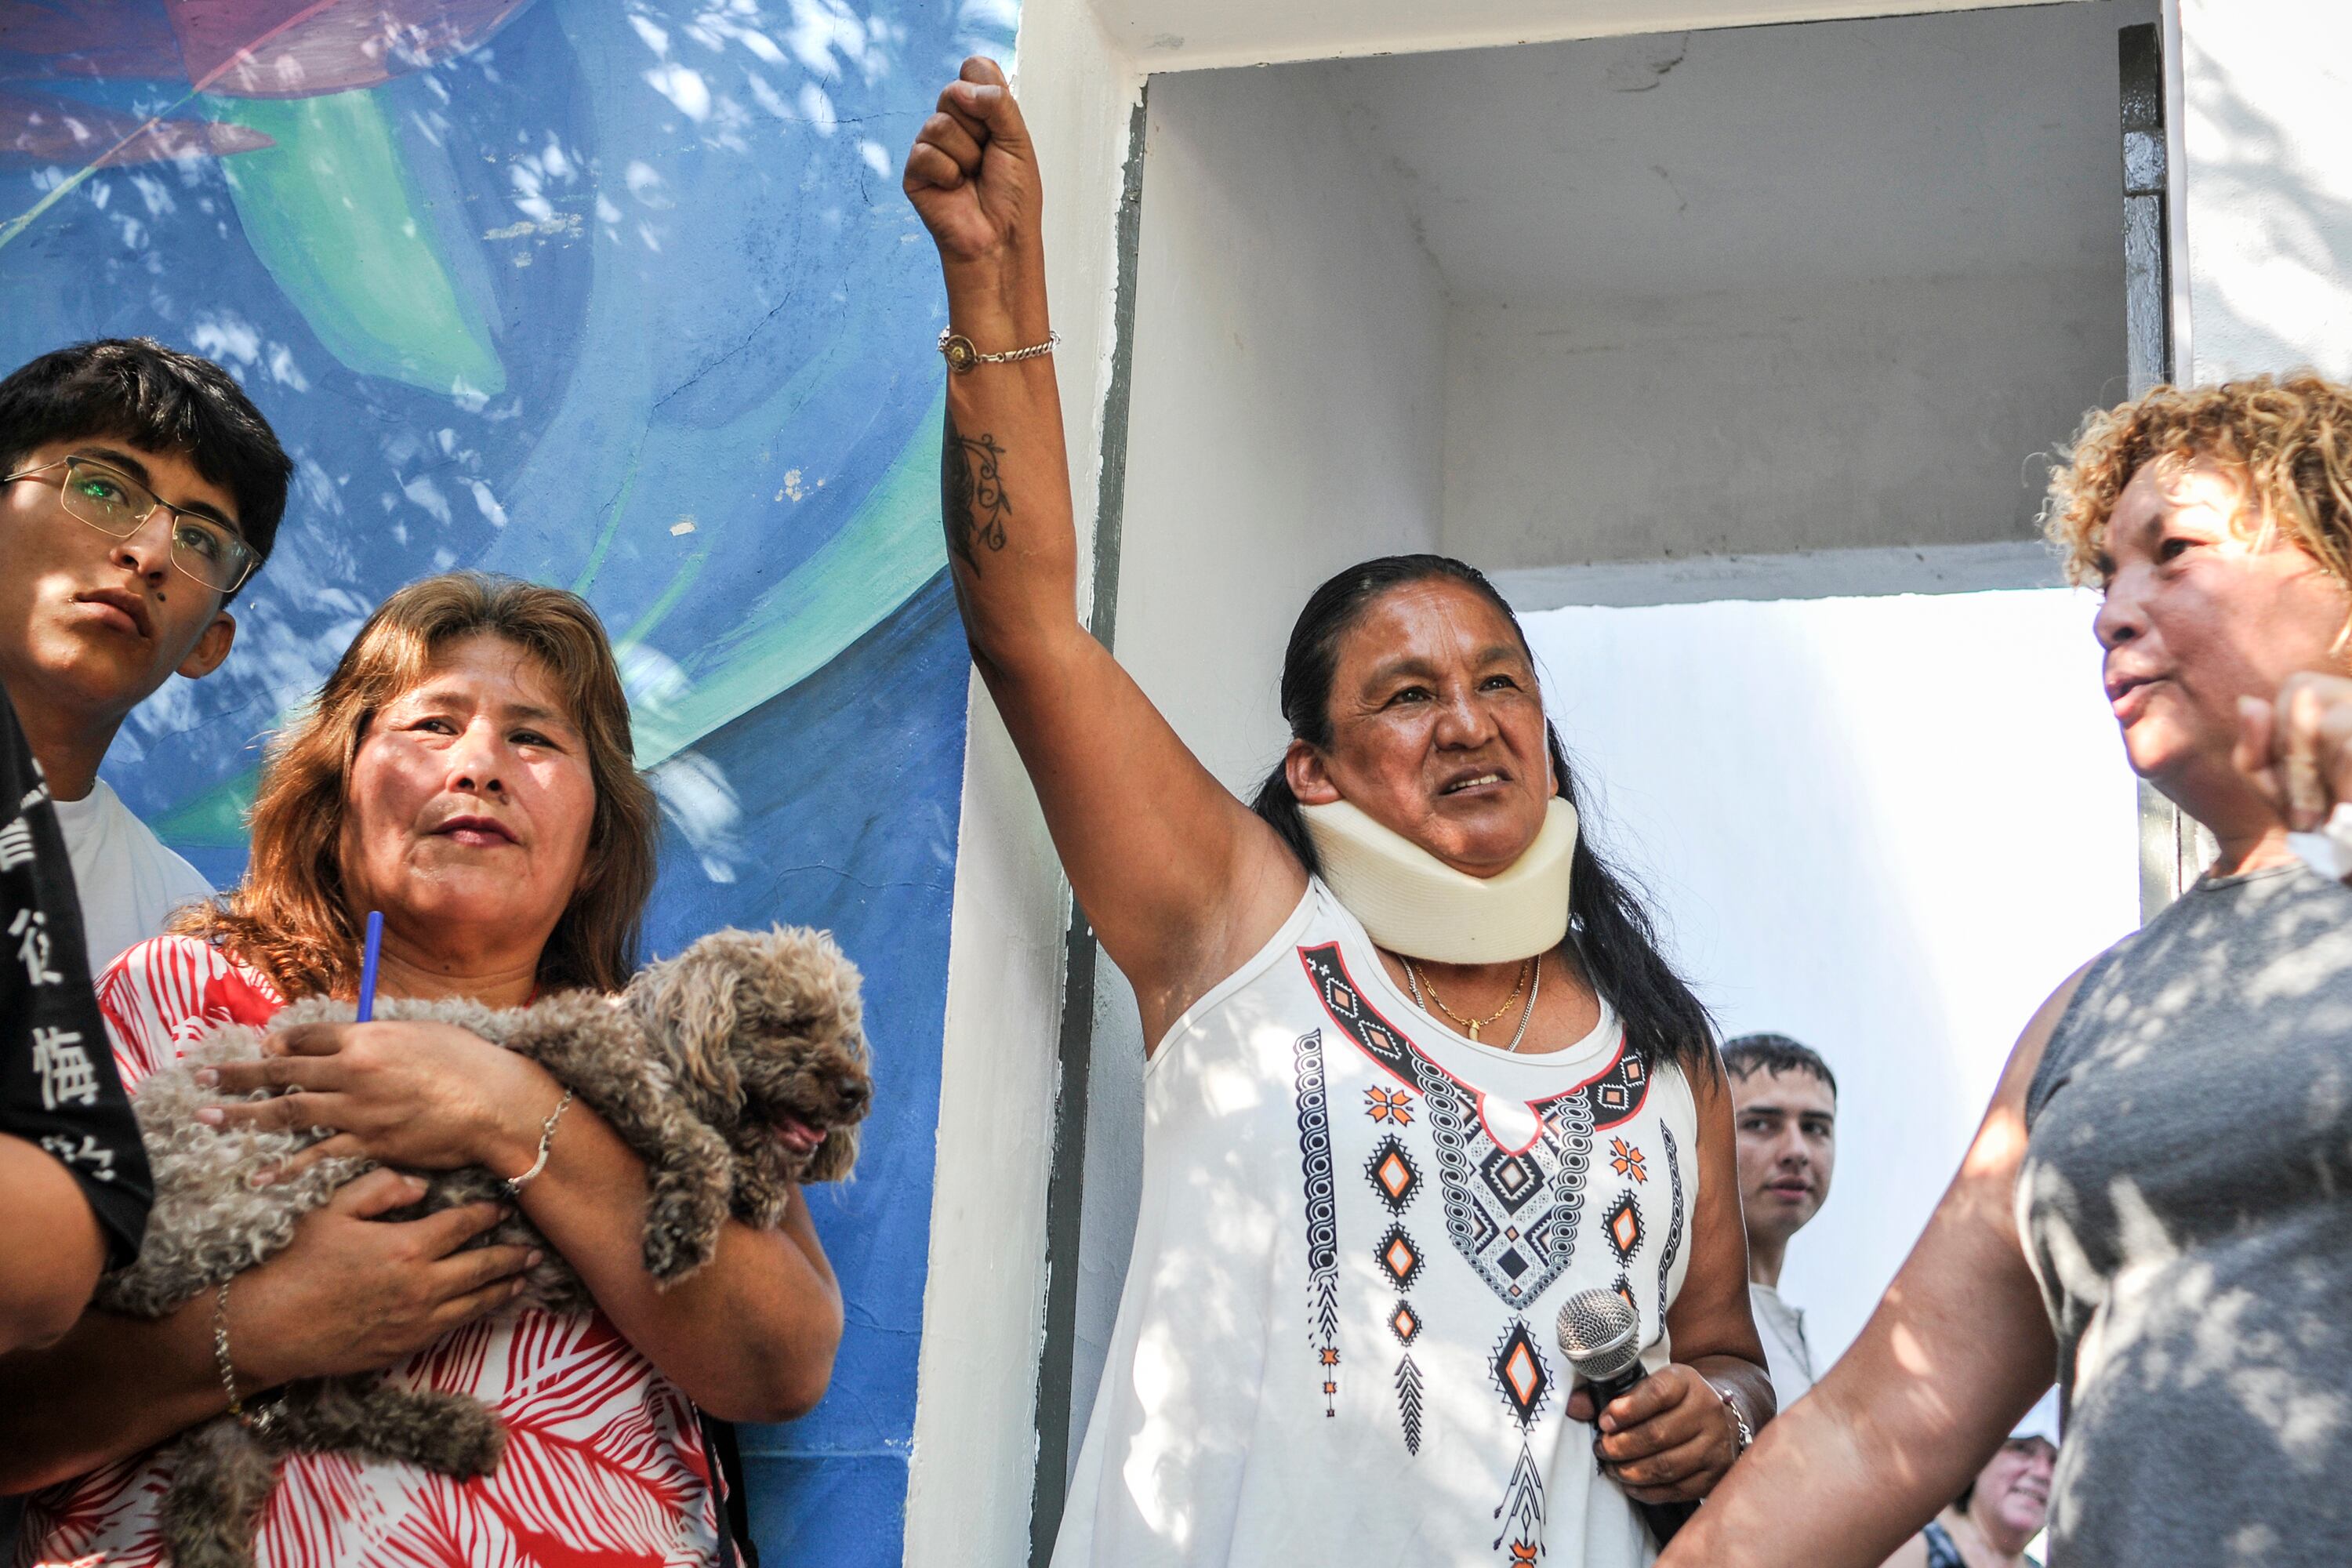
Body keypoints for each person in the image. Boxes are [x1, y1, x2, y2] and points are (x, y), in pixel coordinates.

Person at [905, 60, 1772, 1567]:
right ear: (1315, 771)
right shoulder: (1242, 936)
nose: (1470, 719)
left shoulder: (1663, 1052)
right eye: (1407, 696)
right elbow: (1030, 626)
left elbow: (1729, 1350)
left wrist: (1724, 1410)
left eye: (1502, 683)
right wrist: (994, 279)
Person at [0, 572, 844, 1564]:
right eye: (433, 725)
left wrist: (501, 1105)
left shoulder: (657, 1049)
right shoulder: (176, 998)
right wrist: (259, 1326)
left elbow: (777, 1363)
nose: (481, 764)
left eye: (534, 737)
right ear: (336, 795)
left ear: (594, 840)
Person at [1658, 372, 2352, 1567]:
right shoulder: (2093, 1017)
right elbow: (1879, 1430)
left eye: (2172, 552)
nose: (2109, 613)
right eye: (2106, 574)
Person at [0, 338, 292, 976]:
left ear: (208, 645)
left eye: (200, 538)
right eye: (105, 489)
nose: (151, 552)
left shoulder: (176, 943)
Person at [0, 685, 152, 1353]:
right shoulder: (183, 981)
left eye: (524, 736)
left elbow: (63, 1249)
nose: (145, 570)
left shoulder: (185, 929)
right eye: (434, 725)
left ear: (213, 644)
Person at [1722, 1033, 1838, 1406]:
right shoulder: (1673, 1325)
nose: (1797, 1151)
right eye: (1760, 1124)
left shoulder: (1809, 1351)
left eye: (1815, 1128)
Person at [1882, 1422, 2056, 1568]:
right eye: (2022, 1449)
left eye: (2056, 1460)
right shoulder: (1911, 1543)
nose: (2041, 1473)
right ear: (1980, 1459)